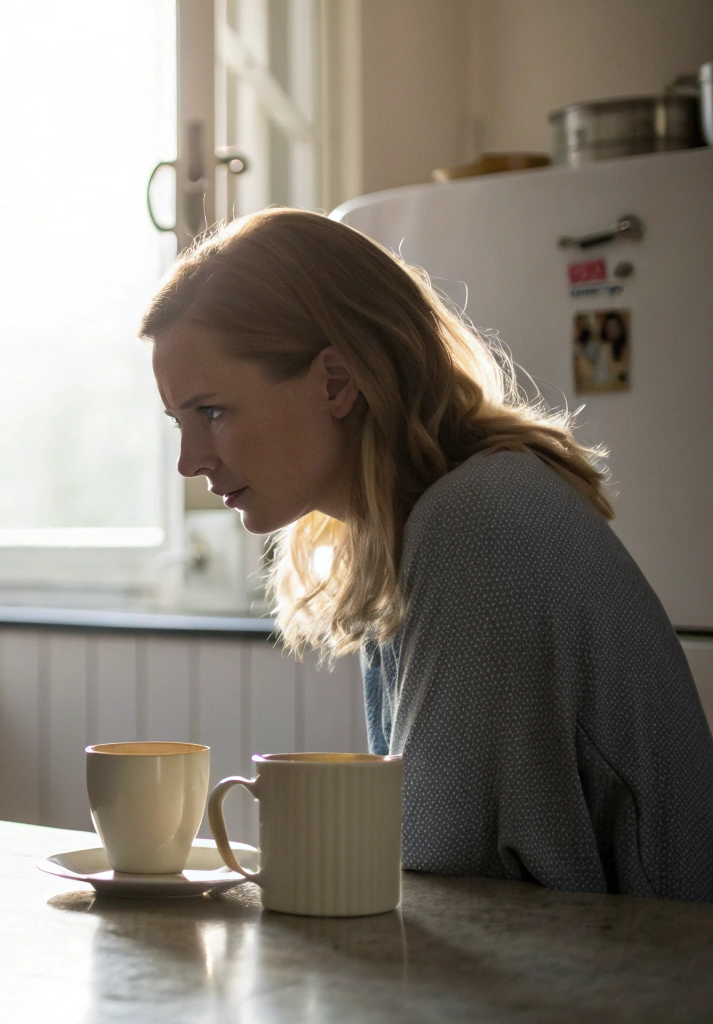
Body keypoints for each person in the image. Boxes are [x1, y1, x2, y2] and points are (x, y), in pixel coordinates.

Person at [142, 208, 713, 901]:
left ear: (336, 382)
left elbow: (444, 886)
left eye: (211, 412)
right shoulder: (415, 526)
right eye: (179, 421)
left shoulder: (475, 525)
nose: (188, 461)